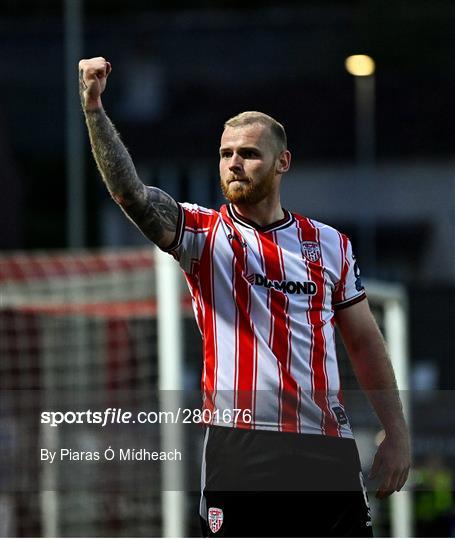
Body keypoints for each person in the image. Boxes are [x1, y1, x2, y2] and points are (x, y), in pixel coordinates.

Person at [78, 56, 411, 537]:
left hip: (325, 447)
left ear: (283, 162)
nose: (234, 162)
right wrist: (94, 109)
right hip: (240, 450)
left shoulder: (331, 244)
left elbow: (362, 340)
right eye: (225, 152)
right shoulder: (200, 233)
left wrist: (396, 432)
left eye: (248, 153)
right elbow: (129, 194)